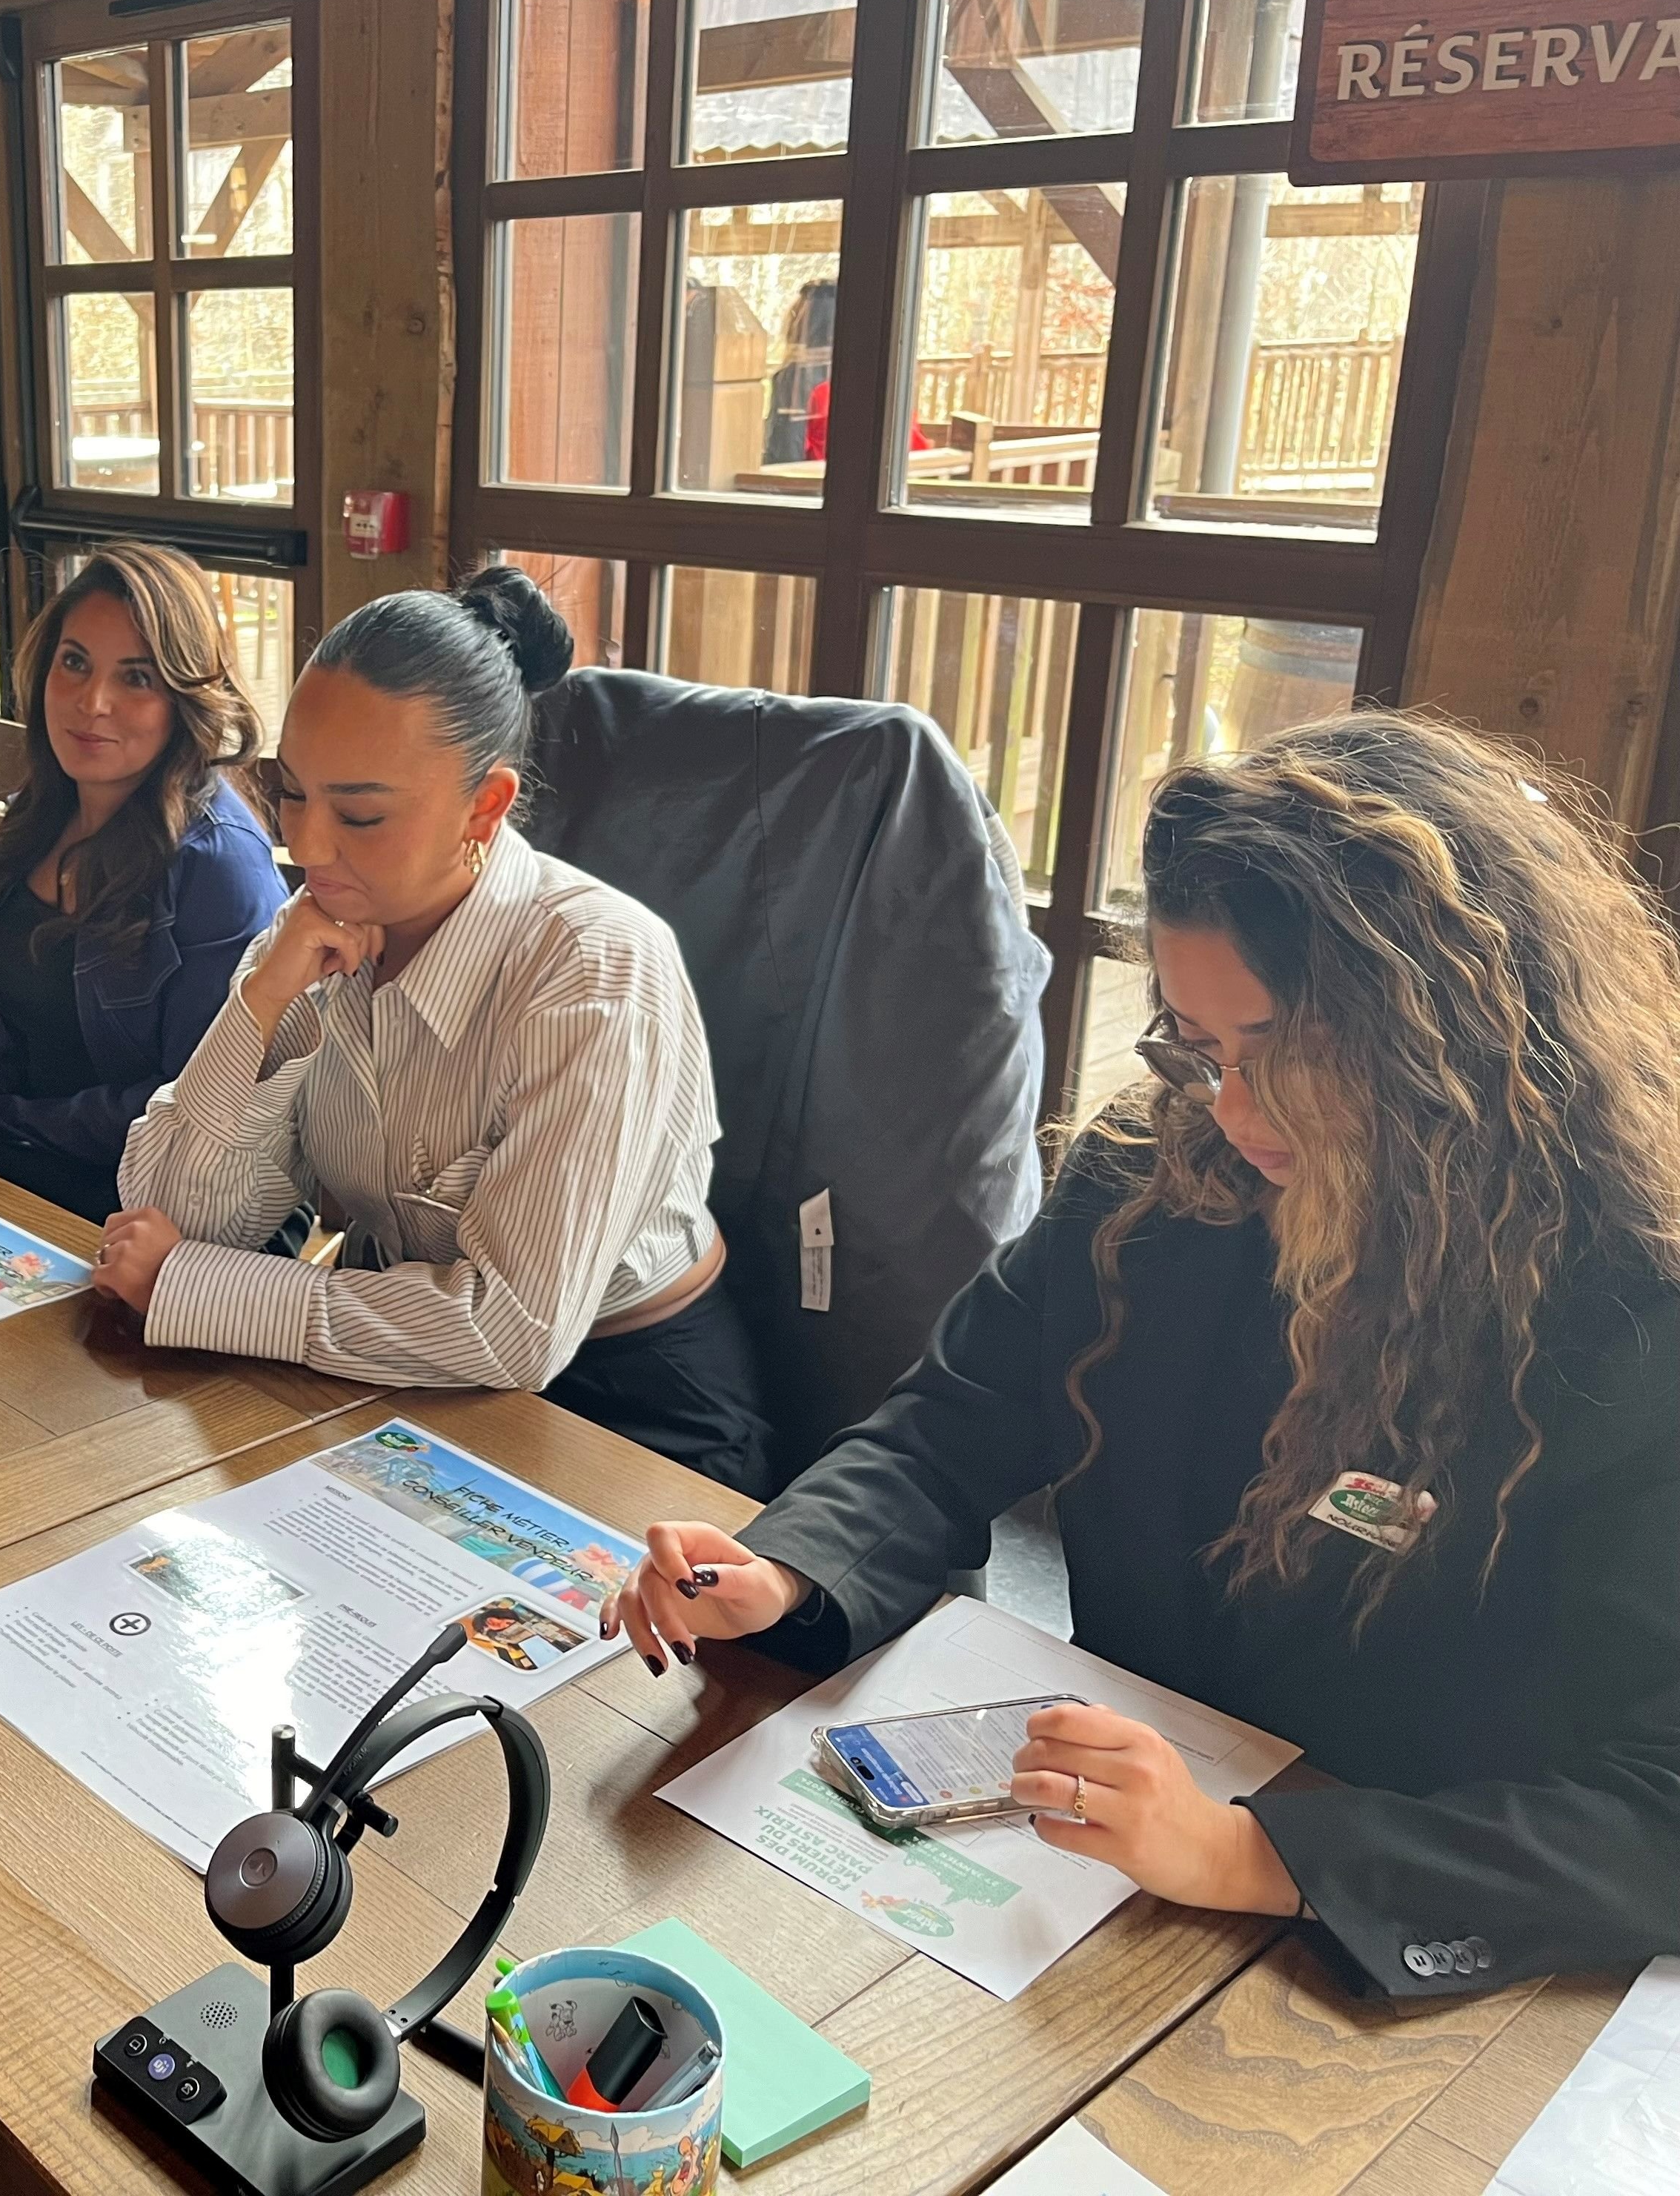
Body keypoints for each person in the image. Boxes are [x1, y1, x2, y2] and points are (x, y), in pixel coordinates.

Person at [603, 713, 1680, 1997]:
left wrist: (1249, 1851)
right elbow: (950, 1420)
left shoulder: (1628, 1311)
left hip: (1371, 1944)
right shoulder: (1154, 1175)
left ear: (1442, 1041)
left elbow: (1652, 1813)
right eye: (1196, 1044)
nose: (1231, 1107)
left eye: (1283, 1051)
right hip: (1090, 1867)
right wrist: (786, 1568)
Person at [99, 568, 776, 1490]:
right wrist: (257, 1005)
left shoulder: (596, 969)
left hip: (626, 1407)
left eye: (362, 814)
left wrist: (202, 1291)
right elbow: (177, 1220)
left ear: (485, 808)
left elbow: (512, 1331)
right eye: (290, 793)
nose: (308, 846)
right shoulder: (311, 935)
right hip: (397, 1378)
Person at [0, 542, 285, 1222]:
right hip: (27, 1149)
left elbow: (191, 1109)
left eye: (137, 678)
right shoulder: (45, 808)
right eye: (75, 663)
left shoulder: (217, 865)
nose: (92, 702)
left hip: (160, 1202)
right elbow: (22, 1005)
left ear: (184, 699)